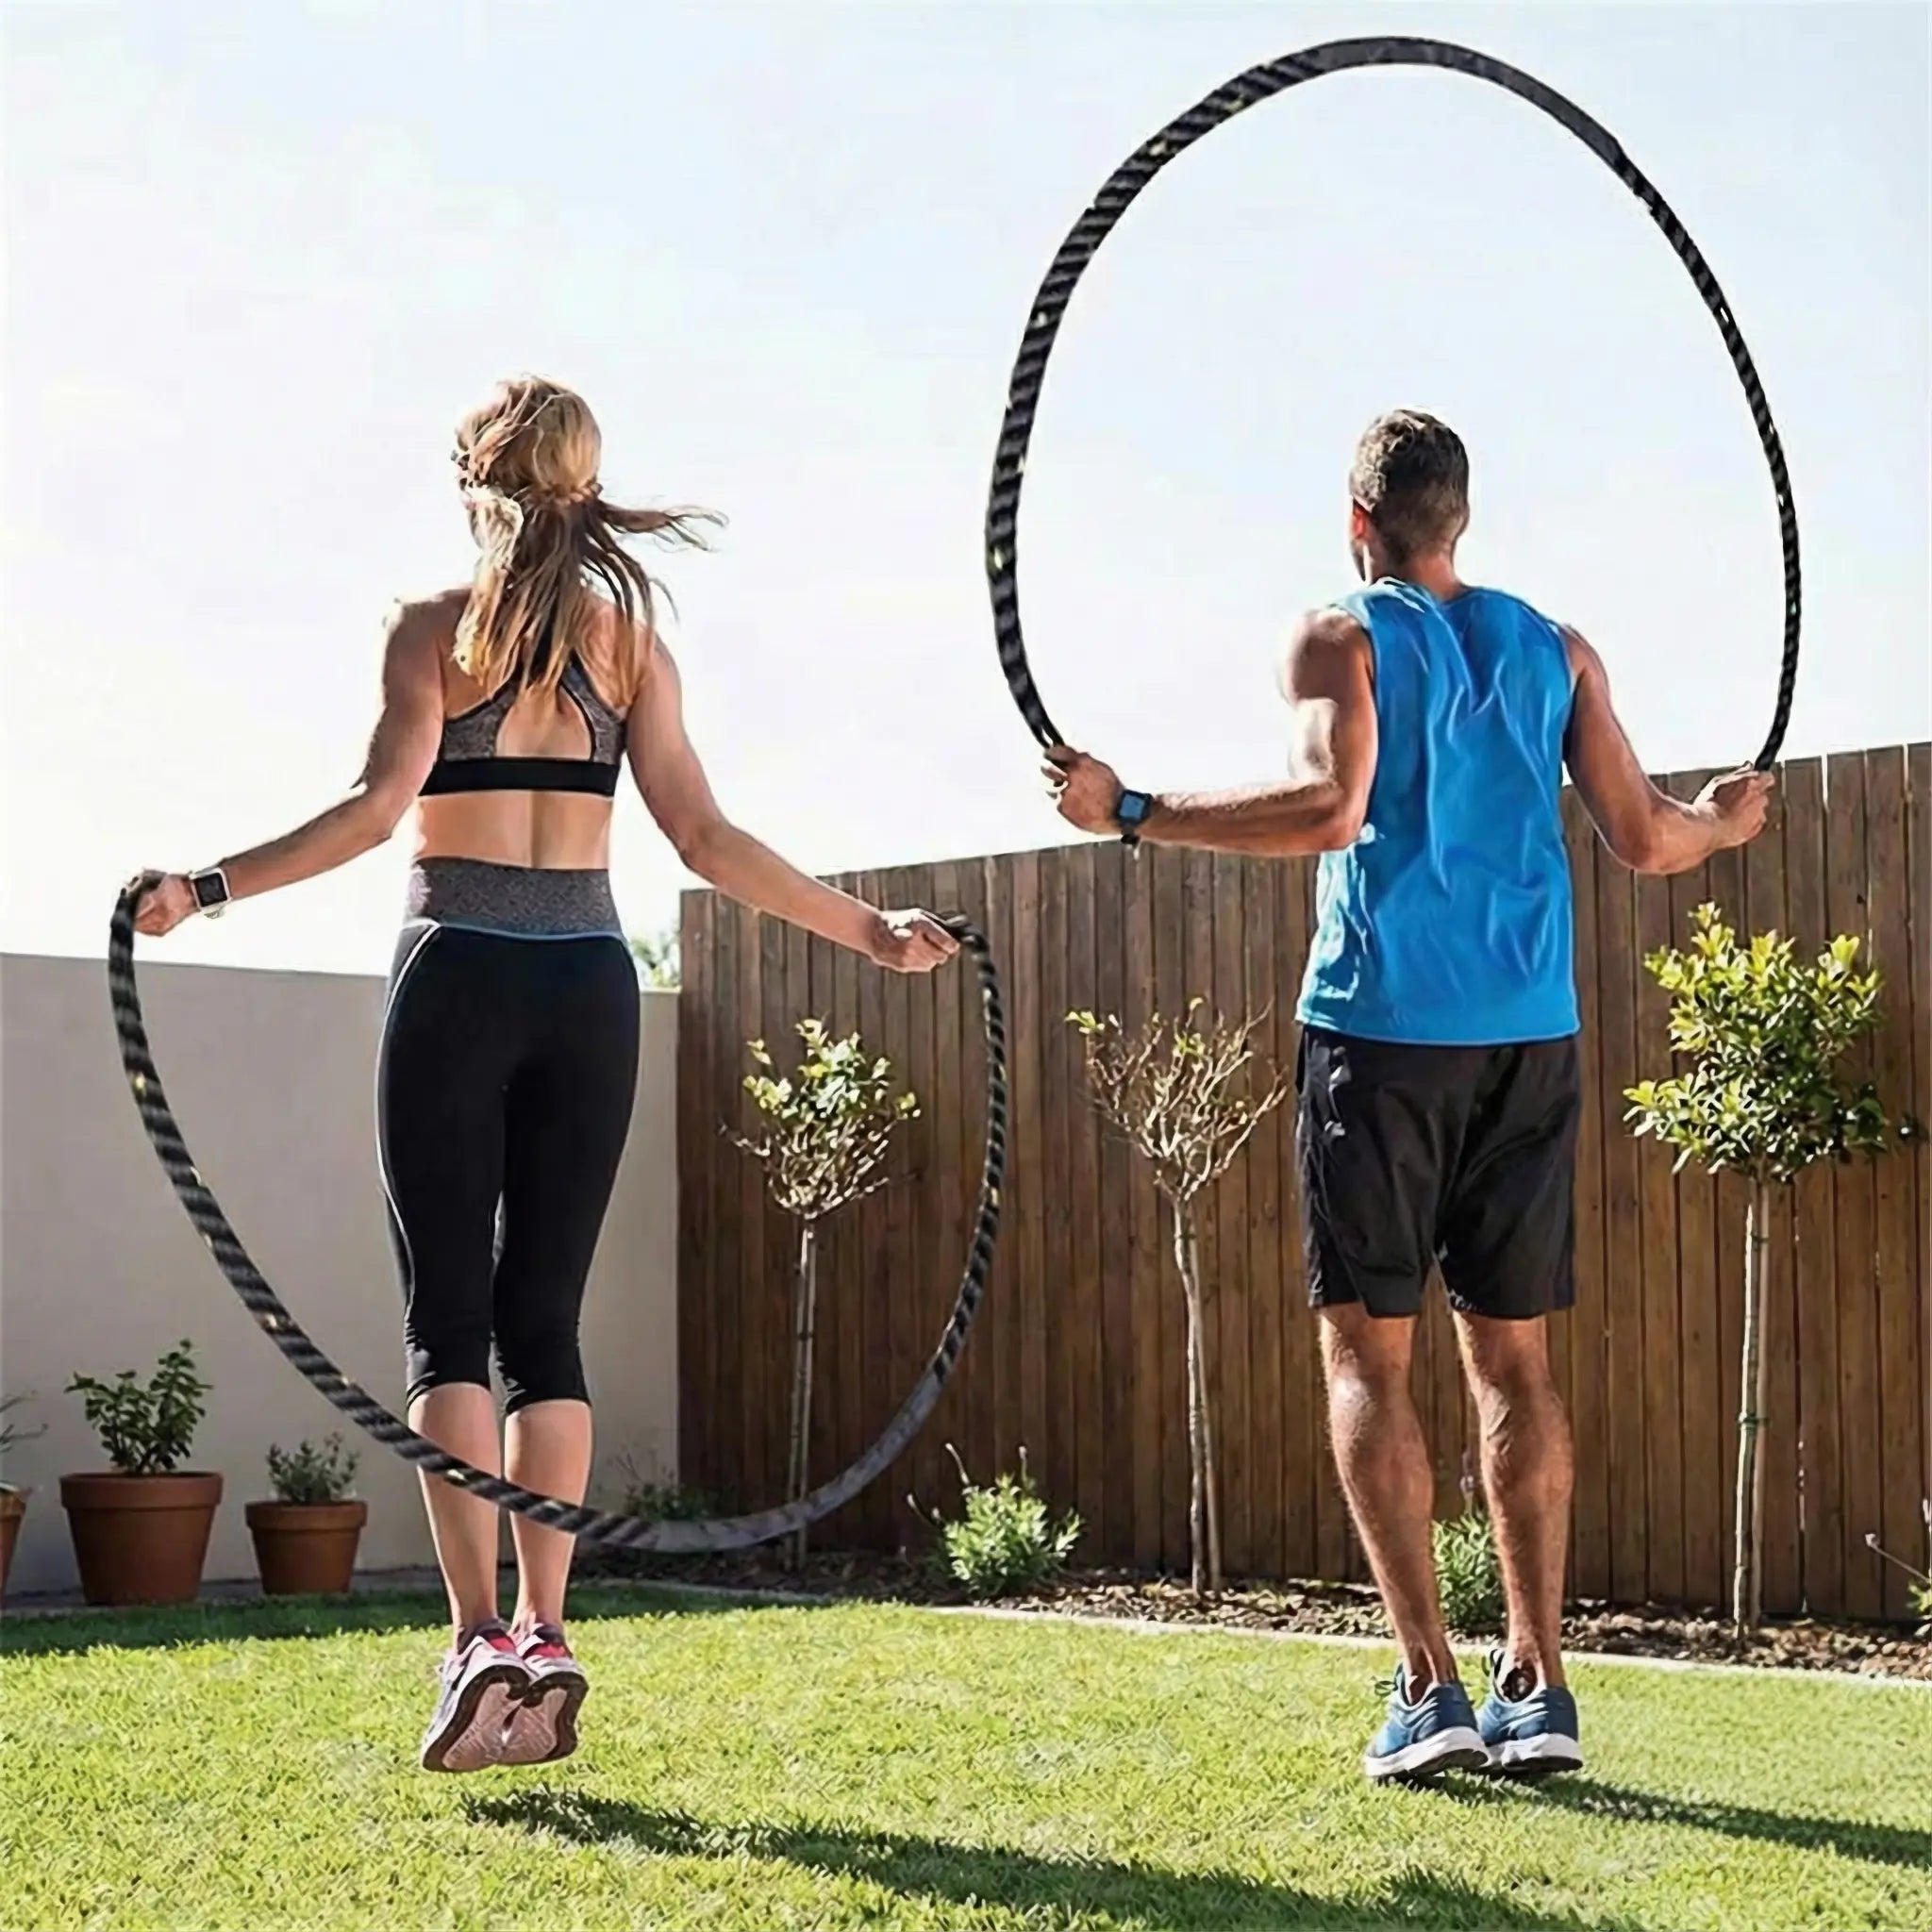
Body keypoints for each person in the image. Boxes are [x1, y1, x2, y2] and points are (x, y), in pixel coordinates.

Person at [134, 375, 958, 1773]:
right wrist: (868, 930)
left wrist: (203, 887)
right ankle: (550, 1631)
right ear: (584, 485)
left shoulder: (431, 633)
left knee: (448, 1327)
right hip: (589, 988)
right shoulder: (626, 644)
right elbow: (703, 837)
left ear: (474, 482)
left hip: (454, 970)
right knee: (547, 1328)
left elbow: (376, 811)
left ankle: (475, 1644)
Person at [1045, 408, 1772, 1783]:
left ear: (1358, 520)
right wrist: (1726, 823)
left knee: (1366, 1362)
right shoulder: (1557, 651)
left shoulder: (1342, 631)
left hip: (1381, 1041)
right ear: (1465, 519)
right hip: (1529, 1044)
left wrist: (1131, 809)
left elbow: (1330, 808)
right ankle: (1540, 1685)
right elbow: (1645, 838)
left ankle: (1431, 1684)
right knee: (1517, 1365)